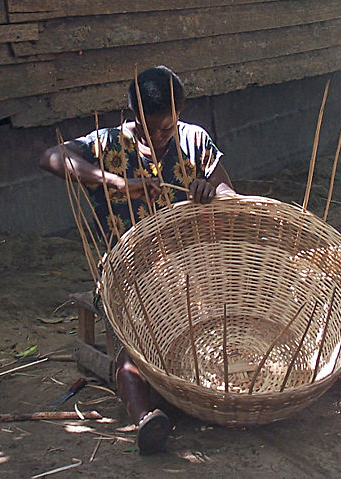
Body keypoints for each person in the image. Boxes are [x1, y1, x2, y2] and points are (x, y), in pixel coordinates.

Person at [39, 65, 235, 454]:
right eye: (150, 128)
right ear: (133, 116)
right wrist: (110, 180)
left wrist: (209, 191)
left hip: (188, 274)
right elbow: (50, 157)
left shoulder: (194, 140)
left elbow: (229, 189)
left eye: (167, 127)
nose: (160, 137)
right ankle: (146, 419)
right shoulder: (108, 145)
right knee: (134, 343)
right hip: (126, 275)